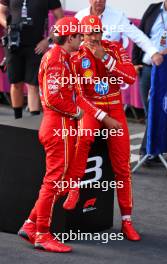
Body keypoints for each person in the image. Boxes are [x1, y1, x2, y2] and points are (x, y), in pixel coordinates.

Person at [63, 15, 141, 241]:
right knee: (84, 138)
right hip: (91, 108)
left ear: (102, 31)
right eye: (88, 34)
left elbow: (131, 76)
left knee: (122, 165)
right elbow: (76, 95)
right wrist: (98, 114)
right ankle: (74, 187)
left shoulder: (113, 48)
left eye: (96, 32)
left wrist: (105, 58)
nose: (93, 38)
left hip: (115, 107)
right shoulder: (77, 57)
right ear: (82, 34)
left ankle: (127, 221)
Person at [18, 17, 83, 253]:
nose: (82, 39)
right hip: (59, 126)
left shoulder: (61, 56)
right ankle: (42, 234)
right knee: (54, 181)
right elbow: (54, 98)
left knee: (58, 181)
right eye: (79, 36)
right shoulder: (57, 59)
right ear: (70, 38)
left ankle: (30, 224)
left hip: (58, 125)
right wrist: (78, 112)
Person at [0, 0, 63, 119]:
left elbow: (60, 18)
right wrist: (8, 26)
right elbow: (0, 12)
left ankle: (33, 124)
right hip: (14, 43)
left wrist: (49, 40)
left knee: (33, 85)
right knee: (16, 83)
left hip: (36, 45)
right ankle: (17, 120)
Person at [132, 0, 167, 162]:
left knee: (159, 109)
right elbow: (140, 34)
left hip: (166, 70)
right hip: (147, 66)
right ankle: (154, 149)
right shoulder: (152, 9)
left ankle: (148, 150)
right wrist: (135, 61)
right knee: (148, 109)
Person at [75, 0, 163, 66]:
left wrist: (153, 52)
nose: (98, 1)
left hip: (108, 69)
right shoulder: (80, 16)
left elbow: (137, 35)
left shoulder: (117, 16)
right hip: (84, 67)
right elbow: (69, 41)